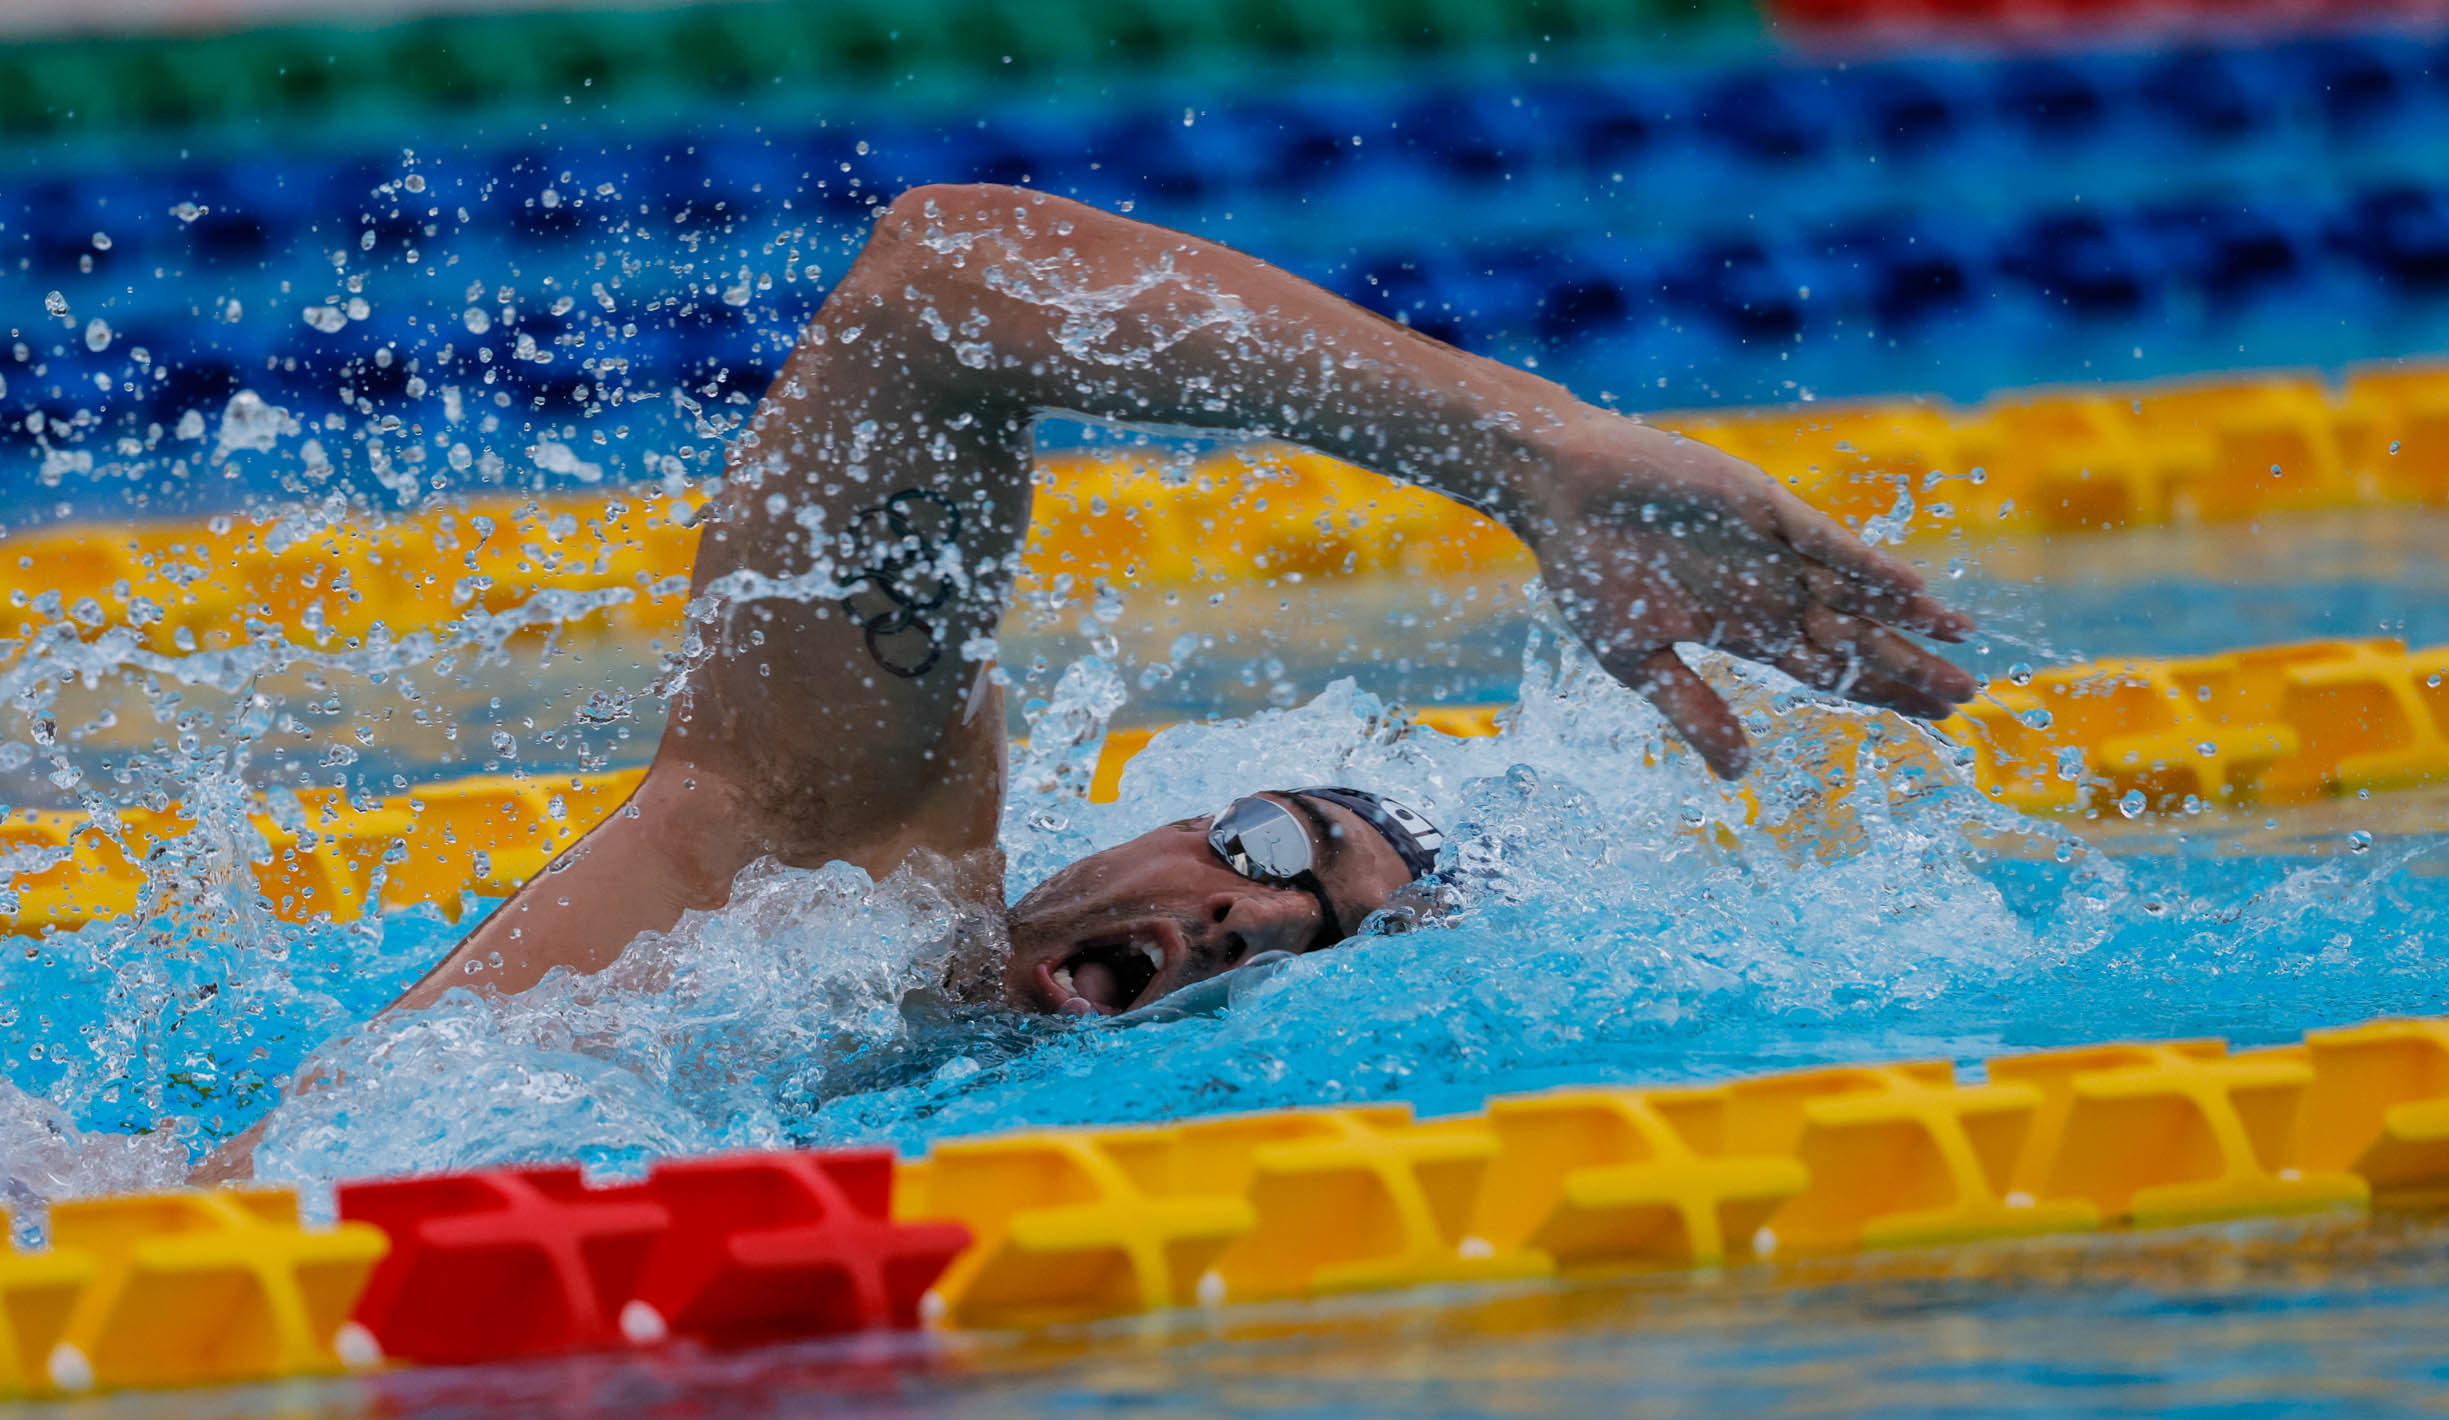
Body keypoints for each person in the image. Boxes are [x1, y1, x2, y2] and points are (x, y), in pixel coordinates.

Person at [198, 182, 1976, 1176]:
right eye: (1280, 849)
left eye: (1319, 949)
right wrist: (1535, 453)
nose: (1248, 924)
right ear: (1167, 823)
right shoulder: (834, 877)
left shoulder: (934, 1138)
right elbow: (937, 283)